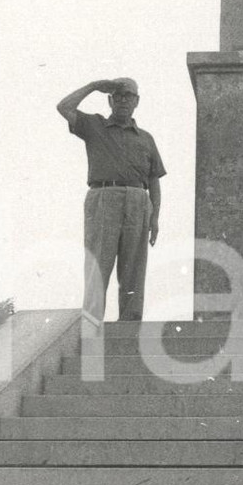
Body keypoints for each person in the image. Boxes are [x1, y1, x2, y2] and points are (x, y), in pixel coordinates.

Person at [57, 76, 167, 322]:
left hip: (139, 201)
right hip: (104, 197)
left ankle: (130, 325)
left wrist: (155, 217)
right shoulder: (93, 125)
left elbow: (154, 180)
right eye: (117, 96)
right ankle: (92, 322)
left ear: (137, 101)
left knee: (134, 269)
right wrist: (93, 85)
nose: (123, 101)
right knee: (98, 262)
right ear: (109, 100)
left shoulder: (146, 138)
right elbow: (64, 107)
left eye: (128, 96)